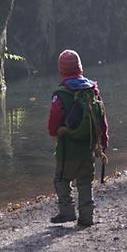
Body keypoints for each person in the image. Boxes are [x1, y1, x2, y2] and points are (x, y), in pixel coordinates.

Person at [47, 49, 109, 227]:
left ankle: (66, 211)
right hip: (89, 147)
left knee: (61, 179)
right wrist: (104, 142)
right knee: (85, 181)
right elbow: (102, 117)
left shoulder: (61, 93)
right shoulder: (92, 90)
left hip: (68, 149)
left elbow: (54, 118)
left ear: (61, 70)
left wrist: (54, 133)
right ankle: (87, 217)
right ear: (80, 68)